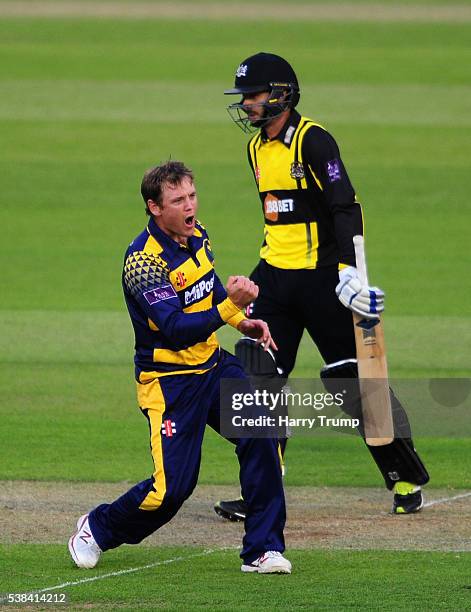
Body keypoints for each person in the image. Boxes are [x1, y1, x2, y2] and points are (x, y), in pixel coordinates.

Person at [214, 52, 429, 522]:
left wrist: (353, 272)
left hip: (323, 279)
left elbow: (344, 206)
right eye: (244, 96)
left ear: (281, 95)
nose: (246, 104)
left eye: (253, 95)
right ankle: (262, 492)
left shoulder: (314, 141)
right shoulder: (256, 149)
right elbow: (278, 218)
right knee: (258, 381)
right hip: (274, 276)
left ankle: (405, 474)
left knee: (352, 383)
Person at [68, 160, 291, 574]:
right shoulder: (142, 262)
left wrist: (240, 320)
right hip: (169, 383)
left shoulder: (197, 233)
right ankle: (96, 528)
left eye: (192, 195)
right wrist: (232, 305)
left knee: (263, 432)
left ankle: (262, 550)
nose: (190, 206)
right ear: (155, 207)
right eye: (178, 200)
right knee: (170, 491)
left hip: (213, 366)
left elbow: (205, 292)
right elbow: (174, 328)